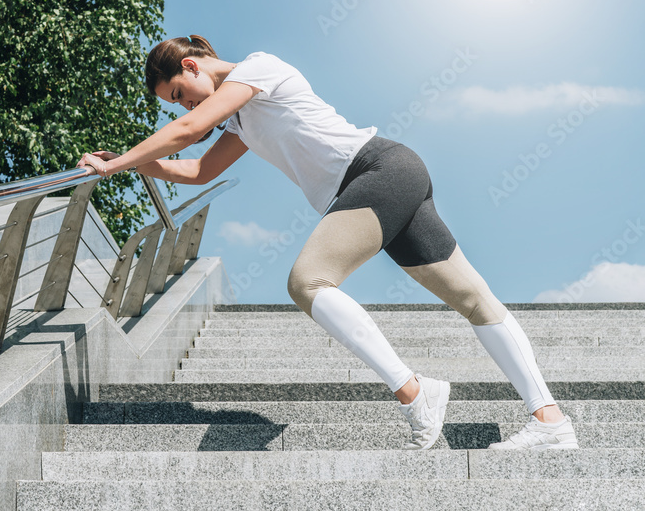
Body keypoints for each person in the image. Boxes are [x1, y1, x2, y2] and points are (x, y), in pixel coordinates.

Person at [76, 35, 578, 451]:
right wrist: (135, 160)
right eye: (177, 102)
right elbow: (200, 168)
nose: (185, 105)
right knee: (474, 298)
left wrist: (114, 165)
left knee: (307, 282)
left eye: (180, 93)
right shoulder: (241, 117)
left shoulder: (259, 68)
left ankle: (415, 393)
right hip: (389, 179)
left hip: (375, 172)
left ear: (191, 65)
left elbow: (189, 131)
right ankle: (551, 422)